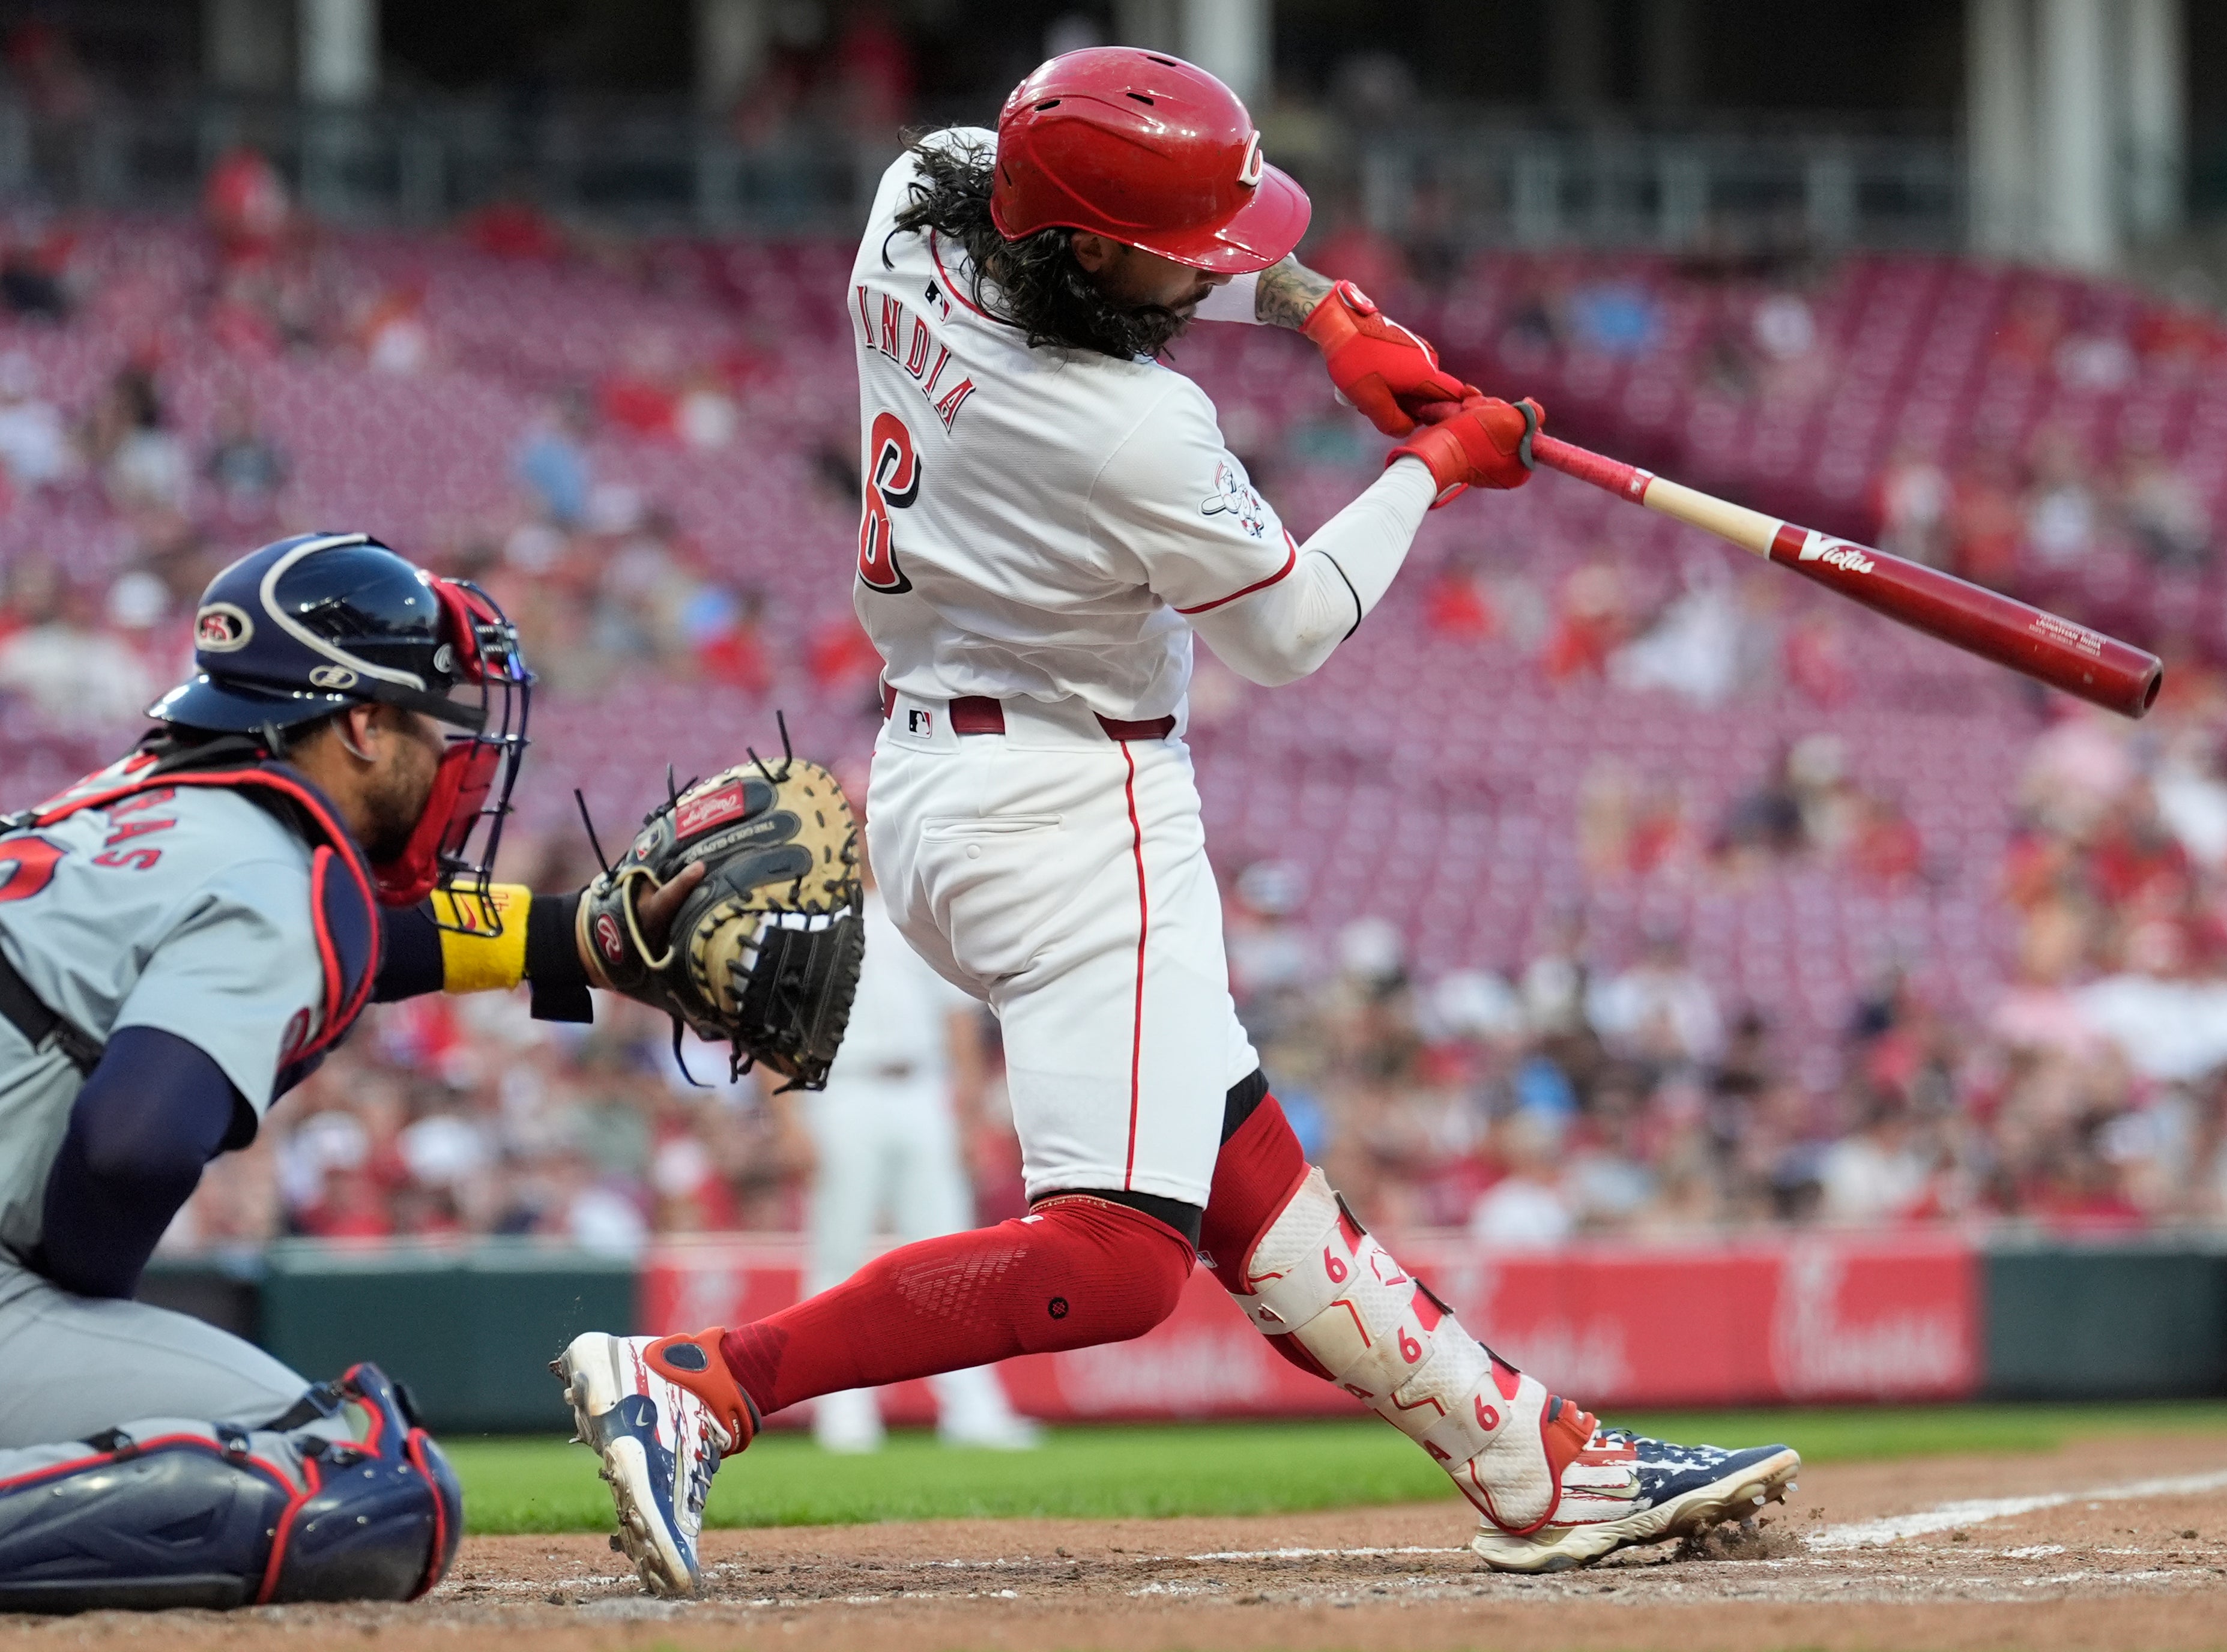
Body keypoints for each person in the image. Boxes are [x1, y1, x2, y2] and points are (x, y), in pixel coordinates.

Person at [556, 47, 1795, 1597]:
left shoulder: (914, 217)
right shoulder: (1124, 424)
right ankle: (709, 1384)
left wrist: (1319, 314)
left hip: (940, 787)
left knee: (1242, 1169)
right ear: (1080, 246)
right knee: (1117, 1264)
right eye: (1189, 254)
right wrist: (1430, 465)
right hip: (1081, 808)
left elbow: (1065, 207)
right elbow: (1286, 633)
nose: (1219, 269)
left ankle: (1529, 1458)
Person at [0, 533, 697, 1609]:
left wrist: (574, 938)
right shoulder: (276, 869)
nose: (451, 749)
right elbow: (134, 1146)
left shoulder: (119, 809)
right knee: (363, 1476)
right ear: (363, 724)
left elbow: (367, 940)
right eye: (429, 716)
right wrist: (80, 1291)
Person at [805, 783, 1039, 1453]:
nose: (857, 829)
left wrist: (966, 1115)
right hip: (839, 1089)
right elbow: (774, 1029)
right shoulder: (806, 914)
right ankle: (841, 1415)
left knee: (948, 1255)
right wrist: (788, 1119)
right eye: (847, 818)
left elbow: (957, 1020)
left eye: (863, 816)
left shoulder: (915, 910)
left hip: (920, 1088)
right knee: (837, 1251)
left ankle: (972, 1410)